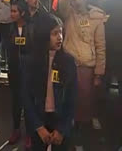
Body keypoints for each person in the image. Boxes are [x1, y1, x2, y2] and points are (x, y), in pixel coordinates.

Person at [58, 0, 106, 149]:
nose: (77, 1)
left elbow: (101, 47)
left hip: (88, 68)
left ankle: (84, 139)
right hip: (70, 66)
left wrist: (99, 73)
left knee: (85, 106)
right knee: (69, 105)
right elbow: (61, 2)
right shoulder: (68, 14)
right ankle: (71, 139)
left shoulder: (96, 17)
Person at [23, 14, 77, 151]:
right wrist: (38, 127)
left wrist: (62, 129)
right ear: (43, 35)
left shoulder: (69, 61)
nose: (60, 37)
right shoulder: (30, 62)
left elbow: (72, 98)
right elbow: (25, 97)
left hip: (60, 120)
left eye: (61, 32)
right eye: (54, 33)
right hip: (38, 119)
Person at [7, 0, 30, 146]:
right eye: (11, 11)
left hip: (28, 70)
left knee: (28, 102)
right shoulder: (10, 28)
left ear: (22, 12)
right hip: (14, 69)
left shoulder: (31, 26)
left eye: (15, 11)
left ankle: (29, 133)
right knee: (16, 102)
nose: (12, 14)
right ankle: (16, 129)